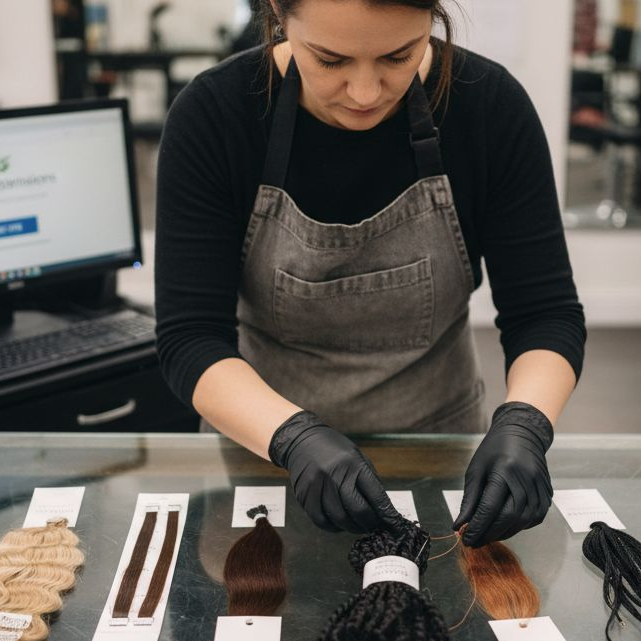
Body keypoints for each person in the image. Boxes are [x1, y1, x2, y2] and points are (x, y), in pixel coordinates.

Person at [154, 0, 585, 546]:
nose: (365, 92)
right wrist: (293, 437)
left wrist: (526, 421)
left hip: (439, 451)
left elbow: (545, 313)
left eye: (399, 55)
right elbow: (190, 338)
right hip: (266, 454)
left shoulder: (488, 106)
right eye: (330, 60)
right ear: (279, 18)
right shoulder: (216, 114)